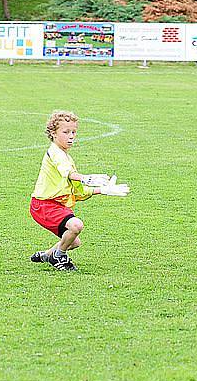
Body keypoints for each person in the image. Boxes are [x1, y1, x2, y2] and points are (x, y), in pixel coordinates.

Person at [29, 110, 130, 271]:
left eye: (74, 132)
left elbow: (78, 192)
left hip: (56, 206)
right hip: (44, 205)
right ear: (53, 134)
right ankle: (59, 256)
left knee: (74, 242)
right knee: (75, 226)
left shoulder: (65, 155)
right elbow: (68, 173)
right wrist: (85, 178)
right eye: (66, 132)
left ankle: (48, 255)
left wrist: (103, 190)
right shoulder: (56, 153)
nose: (71, 136)